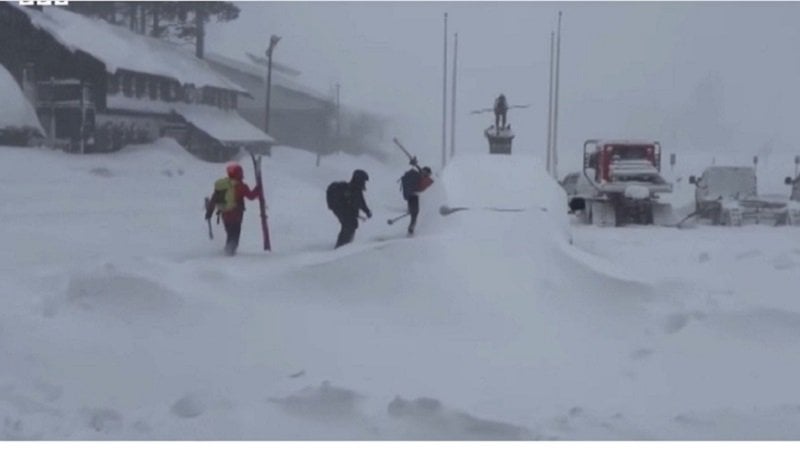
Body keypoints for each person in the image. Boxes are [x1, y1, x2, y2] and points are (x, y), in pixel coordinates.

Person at [205, 162, 262, 256]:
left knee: (230, 234)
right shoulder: (241, 186)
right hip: (236, 215)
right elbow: (251, 196)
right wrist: (258, 189)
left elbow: (214, 199)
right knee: (235, 235)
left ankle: (227, 252)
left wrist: (209, 213)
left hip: (225, 214)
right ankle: (229, 255)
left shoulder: (223, 185)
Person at [327, 169, 372, 248]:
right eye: (363, 181)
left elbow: (361, 202)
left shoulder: (356, 190)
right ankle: (341, 246)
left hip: (346, 211)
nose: (364, 183)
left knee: (351, 225)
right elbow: (360, 202)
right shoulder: (351, 190)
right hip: (342, 210)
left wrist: (367, 211)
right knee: (349, 225)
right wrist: (366, 211)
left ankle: (346, 245)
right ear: (359, 180)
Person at [401, 157, 434, 235]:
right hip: (414, 196)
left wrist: (415, 164)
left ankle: (411, 224)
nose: (425, 173)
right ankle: (411, 228)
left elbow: (418, 169)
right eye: (426, 172)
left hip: (411, 195)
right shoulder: (423, 177)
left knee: (414, 213)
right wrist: (415, 164)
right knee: (415, 213)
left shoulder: (419, 175)